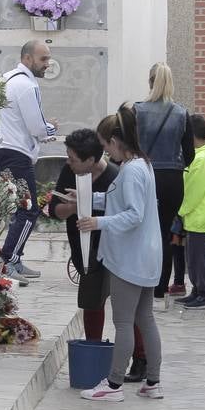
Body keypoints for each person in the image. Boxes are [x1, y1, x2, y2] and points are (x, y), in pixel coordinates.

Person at [77, 105, 163, 402]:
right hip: (147, 255)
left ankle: (114, 385)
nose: (105, 153)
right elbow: (119, 200)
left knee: (124, 322)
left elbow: (133, 214)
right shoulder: (141, 165)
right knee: (145, 318)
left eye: (105, 146)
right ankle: (152, 381)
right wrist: (87, 199)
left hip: (130, 258)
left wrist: (97, 222)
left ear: (116, 141)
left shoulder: (132, 170)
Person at [0, 39, 58, 285]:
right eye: (43, 59)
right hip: (15, 154)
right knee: (28, 209)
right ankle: (9, 259)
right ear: (27, 59)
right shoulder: (27, 85)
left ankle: (12, 259)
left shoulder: (7, 78)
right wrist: (50, 128)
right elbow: (37, 126)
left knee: (2, 210)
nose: (47, 64)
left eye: (48, 58)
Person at [47, 129, 121, 343]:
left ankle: (138, 357)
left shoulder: (114, 177)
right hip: (83, 251)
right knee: (91, 303)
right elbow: (54, 210)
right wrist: (71, 208)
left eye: (73, 159)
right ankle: (93, 348)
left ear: (90, 160)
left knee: (123, 307)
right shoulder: (70, 171)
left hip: (113, 251)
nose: (68, 163)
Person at [134, 63, 195, 301]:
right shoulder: (181, 113)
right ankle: (160, 287)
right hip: (172, 178)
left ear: (150, 81)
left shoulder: (137, 111)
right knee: (164, 232)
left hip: (144, 174)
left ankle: (139, 282)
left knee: (140, 229)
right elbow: (189, 152)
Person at [175, 114, 205, 308]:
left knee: (199, 258)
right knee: (192, 257)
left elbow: (192, 191)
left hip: (199, 218)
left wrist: (179, 210)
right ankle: (197, 290)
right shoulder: (197, 156)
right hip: (194, 218)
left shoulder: (200, 159)